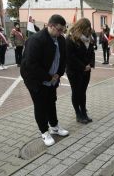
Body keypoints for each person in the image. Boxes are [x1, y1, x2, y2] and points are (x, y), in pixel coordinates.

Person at [20, 14, 69, 146]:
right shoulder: (36, 40)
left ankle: (54, 127)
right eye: (59, 30)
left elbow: (63, 59)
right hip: (35, 80)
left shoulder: (61, 40)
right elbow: (30, 64)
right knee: (40, 105)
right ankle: (44, 132)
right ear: (50, 26)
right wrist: (48, 77)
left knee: (51, 102)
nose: (61, 33)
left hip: (52, 80)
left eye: (63, 30)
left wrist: (59, 74)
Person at [65, 18, 95, 124]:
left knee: (83, 92)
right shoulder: (70, 39)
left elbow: (92, 52)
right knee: (76, 92)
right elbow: (70, 57)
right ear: (81, 28)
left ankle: (84, 112)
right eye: (86, 29)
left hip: (86, 70)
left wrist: (90, 64)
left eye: (89, 28)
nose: (88, 31)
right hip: (74, 71)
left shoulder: (89, 38)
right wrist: (83, 66)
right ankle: (78, 114)